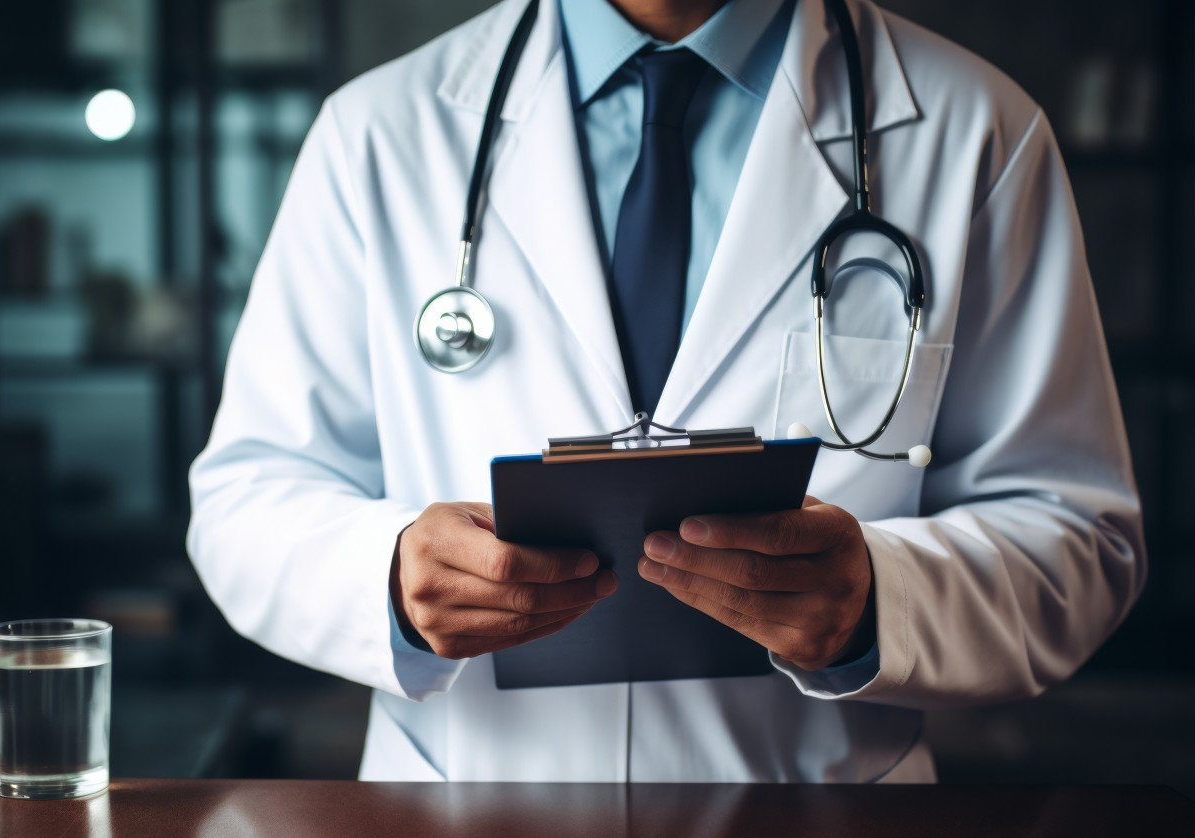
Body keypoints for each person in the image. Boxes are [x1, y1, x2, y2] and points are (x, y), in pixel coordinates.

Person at [188, 0, 1145, 782]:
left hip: (818, 807)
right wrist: (390, 582)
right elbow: (246, 502)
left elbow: (1077, 538)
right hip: (468, 805)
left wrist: (878, 601)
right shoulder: (379, 134)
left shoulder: (975, 130)